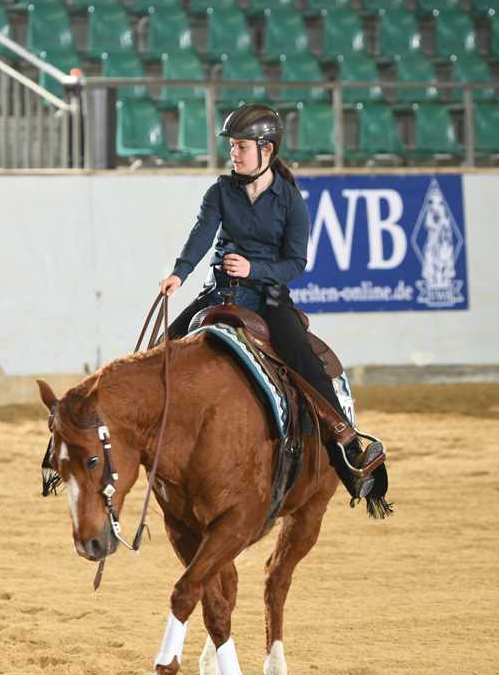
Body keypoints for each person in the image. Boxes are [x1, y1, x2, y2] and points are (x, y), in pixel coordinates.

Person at [159, 104, 389, 517]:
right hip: (220, 294)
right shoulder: (219, 192)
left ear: (267, 149)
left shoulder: (291, 202)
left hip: (268, 298)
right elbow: (201, 235)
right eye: (232, 146)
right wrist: (179, 273)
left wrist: (254, 269)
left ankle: (346, 441)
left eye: (242, 146)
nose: (234, 153)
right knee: (163, 349)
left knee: (302, 357)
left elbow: (295, 264)